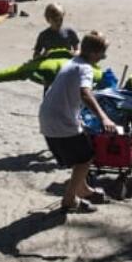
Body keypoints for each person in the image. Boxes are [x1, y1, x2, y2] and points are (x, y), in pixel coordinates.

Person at [39, 31, 116, 213]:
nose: (103, 57)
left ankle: (83, 189)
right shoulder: (85, 68)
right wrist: (103, 117)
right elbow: (85, 93)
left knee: (81, 152)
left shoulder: (74, 61)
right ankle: (69, 198)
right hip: (60, 121)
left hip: (47, 117)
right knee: (85, 158)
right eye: (102, 54)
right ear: (93, 54)